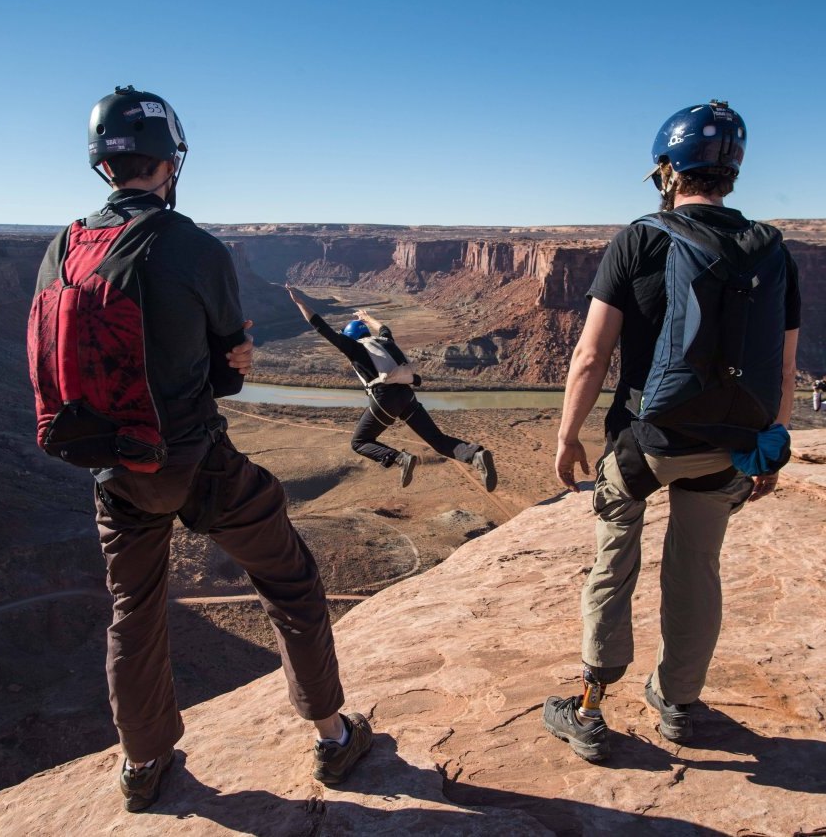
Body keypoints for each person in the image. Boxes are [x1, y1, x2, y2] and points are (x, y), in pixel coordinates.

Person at [28, 87, 370, 812]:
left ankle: (143, 763)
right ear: (171, 161)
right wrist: (235, 358)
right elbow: (224, 376)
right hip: (196, 461)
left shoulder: (64, 245)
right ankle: (334, 736)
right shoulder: (193, 245)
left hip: (113, 467)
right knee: (290, 581)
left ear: (102, 164)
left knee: (135, 610)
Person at [542, 100, 801, 762]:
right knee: (697, 573)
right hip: (728, 448)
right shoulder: (772, 250)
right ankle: (679, 704)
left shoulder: (641, 237)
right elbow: (786, 371)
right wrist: (770, 448)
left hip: (645, 444)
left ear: (669, 168)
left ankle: (592, 710)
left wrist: (569, 435)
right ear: (730, 172)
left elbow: (591, 356)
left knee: (612, 568)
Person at [285, 285, 497, 492]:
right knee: (437, 440)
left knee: (359, 442)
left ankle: (400, 459)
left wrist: (301, 303)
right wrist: (368, 318)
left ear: (350, 337)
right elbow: (385, 329)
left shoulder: (355, 348)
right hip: (406, 395)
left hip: (385, 400)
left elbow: (322, 327)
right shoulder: (385, 341)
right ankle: (475, 455)